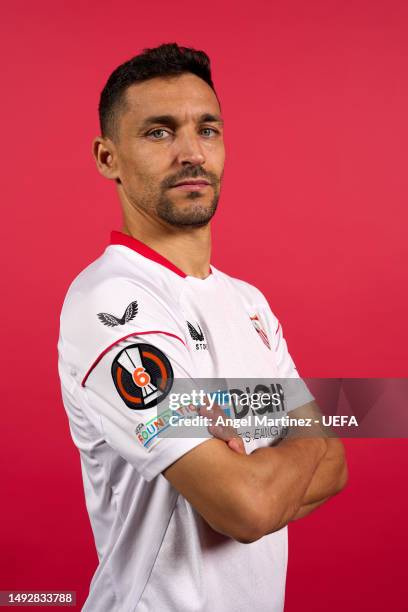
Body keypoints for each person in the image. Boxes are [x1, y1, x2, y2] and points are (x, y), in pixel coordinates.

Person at [57, 43, 348, 612]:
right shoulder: (112, 303)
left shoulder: (249, 303)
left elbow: (335, 467)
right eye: (159, 132)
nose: (191, 153)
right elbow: (247, 507)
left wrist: (289, 438)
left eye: (207, 129)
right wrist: (294, 427)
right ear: (106, 156)